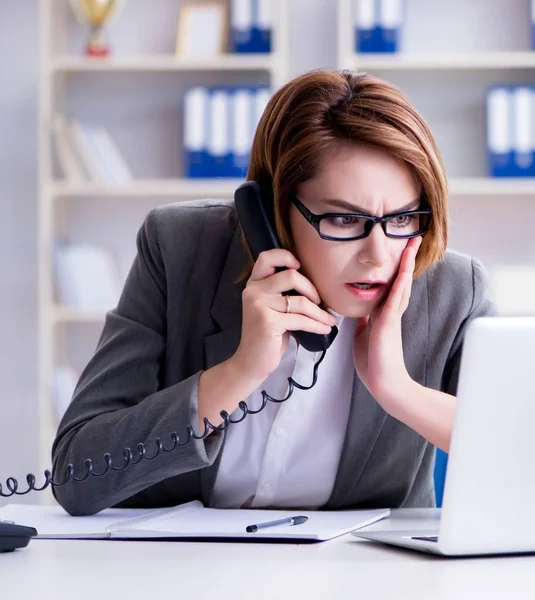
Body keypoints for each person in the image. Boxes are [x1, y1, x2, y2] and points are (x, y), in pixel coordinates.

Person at [52, 69, 495, 516]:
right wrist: (238, 373)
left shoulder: (453, 291)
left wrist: (396, 388)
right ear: (272, 210)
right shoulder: (179, 249)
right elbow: (74, 476)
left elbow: (519, 450)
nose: (377, 255)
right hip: (179, 572)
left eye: (401, 219)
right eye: (343, 220)